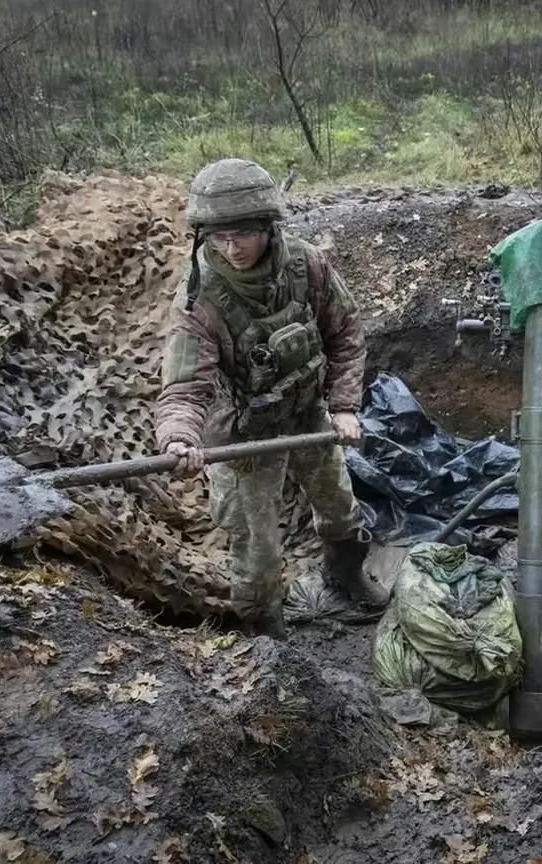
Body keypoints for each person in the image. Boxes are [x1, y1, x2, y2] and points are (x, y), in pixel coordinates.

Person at [154, 158, 386, 638]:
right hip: (242, 437)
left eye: (241, 235)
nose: (230, 248)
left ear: (267, 227)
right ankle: (266, 629)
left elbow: (344, 332)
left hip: (306, 414)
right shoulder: (200, 299)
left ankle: (344, 577)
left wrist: (343, 406)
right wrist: (179, 437)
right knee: (256, 547)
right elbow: (184, 386)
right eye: (218, 238)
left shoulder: (306, 265)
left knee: (340, 506)